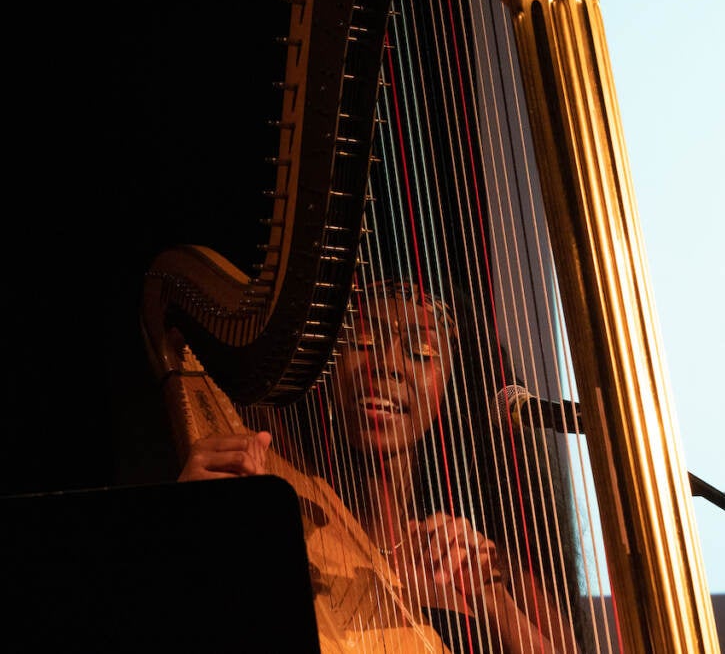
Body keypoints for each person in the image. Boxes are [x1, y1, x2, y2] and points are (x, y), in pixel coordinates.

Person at [179, 278, 581, 654]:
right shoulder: (283, 510)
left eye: (421, 352)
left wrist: (490, 595)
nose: (386, 365)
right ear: (328, 365)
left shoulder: (484, 552)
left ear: (452, 384)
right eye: (364, 340)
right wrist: (196, 528)